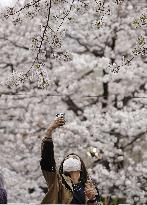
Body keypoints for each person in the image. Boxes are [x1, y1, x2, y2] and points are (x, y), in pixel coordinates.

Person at [40, 116, 103, 204]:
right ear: (63, 166)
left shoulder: (89, 186)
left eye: (74, 158)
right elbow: (47, 162)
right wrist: (49, 131)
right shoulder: (57, 183)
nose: (71, 159)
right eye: (68, 158)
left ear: (80, 166)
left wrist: (92, 199)